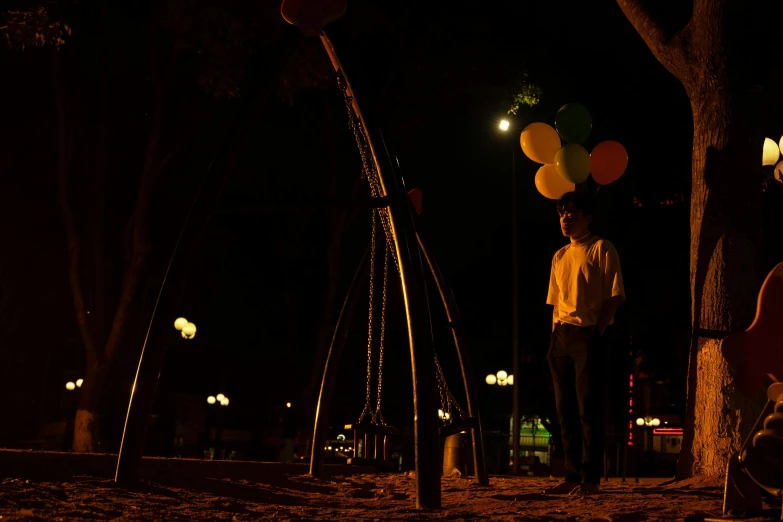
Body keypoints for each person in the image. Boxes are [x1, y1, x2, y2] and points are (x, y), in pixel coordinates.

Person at [544, 191, 625, 496]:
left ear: (587, 217)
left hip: (589, 333)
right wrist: (554, 334)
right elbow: (556, 301)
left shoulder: (601, 248)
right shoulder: (560, 255)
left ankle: (590, 479)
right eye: (562, 214)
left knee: (588, 408)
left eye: (572, 214)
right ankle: (571, 474)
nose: (566, 219)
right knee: (564, 409)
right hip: (562, 336)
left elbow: (614, 294)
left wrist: (598, 332)